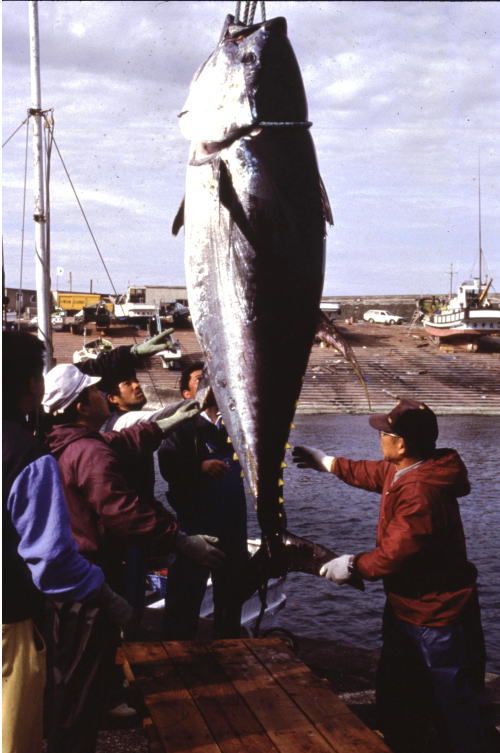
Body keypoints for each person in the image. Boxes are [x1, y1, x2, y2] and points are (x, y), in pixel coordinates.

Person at [41, 363, 225, 743]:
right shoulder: (89, 452)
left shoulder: (70, 441)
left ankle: (104, 697)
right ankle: (77, 731)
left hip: (77, 562)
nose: (100, 393)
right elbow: (122, 510)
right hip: (91, 563)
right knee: (83, 659)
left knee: (90, 650)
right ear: (80, 406)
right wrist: (179, 539)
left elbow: (121, 443)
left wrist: (162, 425)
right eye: (93, 391)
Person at [293, 398, 487, 753]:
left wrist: (350, 566)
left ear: (401, 443)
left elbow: (394, 555)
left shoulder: (420, 491)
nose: (379, 437)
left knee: (453, 700)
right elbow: (373, 473)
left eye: (385, 432)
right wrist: (329, 463)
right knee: (399, 691)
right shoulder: (411, 469)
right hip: (407, 606)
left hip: (434, 613)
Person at [2, 331, 128, 753]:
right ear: (31, 385)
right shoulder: (26, 456)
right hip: (10, 622)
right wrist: (103, 591)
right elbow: (52, 563)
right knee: (15, 733)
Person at [158, 362, 248, 639]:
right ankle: (178, 648)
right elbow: (168, 466)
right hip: (197, 522)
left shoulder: (235, 422)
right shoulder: (181, 427)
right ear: (187, 394)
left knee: (231, 595)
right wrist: (199, 467)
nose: (209, 383)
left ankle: (229, 646)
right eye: (200, 379)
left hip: (233, 521)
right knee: (186, 592)